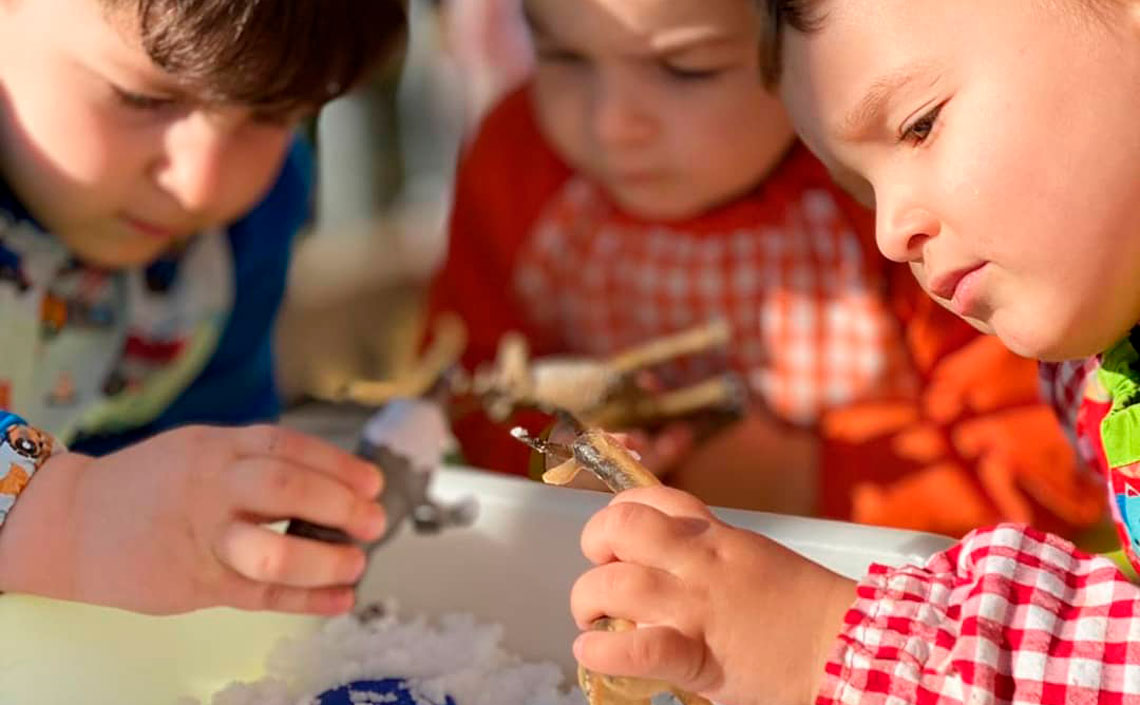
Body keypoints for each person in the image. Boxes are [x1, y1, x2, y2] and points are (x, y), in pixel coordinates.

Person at [569, 1, 1140, 703]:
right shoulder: (1091, 352)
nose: (890, 232)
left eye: (919, 125)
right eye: (862, 190)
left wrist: (825, 641)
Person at [424, 0, 1103, 539]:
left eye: (686, 68)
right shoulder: (517, 163)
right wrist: (549, 462)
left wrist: (804, 483)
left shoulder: (901, 194)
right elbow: (466, 384)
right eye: (561, 55)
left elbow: (1044, 473)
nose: (612, 121)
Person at [0, 0, 406, 618]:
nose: (201, 185)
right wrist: (64, 515)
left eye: (273, 116)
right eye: (142, 99)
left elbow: (189, 456)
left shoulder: (247, 220)